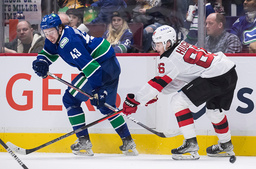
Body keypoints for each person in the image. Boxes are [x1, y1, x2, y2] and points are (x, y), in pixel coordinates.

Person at [122, 25, 237, 160]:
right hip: (228, 71)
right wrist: (158, 92)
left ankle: (191, 143)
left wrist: (135, 100)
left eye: (158, 44)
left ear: (168, 43)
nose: (155, 48)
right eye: (155, 44)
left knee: (178, 102)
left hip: (214, 77)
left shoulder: (170, 59)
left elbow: (157, 82)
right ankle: (226, 144)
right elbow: (179, 79)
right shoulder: (181, 46)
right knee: (214, 111)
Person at [32, 13, 138, 156]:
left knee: (70, 100)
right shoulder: (57, 36)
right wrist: (41, 62)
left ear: (59, 28)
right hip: (111, 65)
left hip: (101, 67)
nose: (49, 36)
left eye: (51, 32)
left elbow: (91, 67)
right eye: (45, 33)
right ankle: (128, 140)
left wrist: (98, 89)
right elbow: (48, 52)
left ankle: (83, 140)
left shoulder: (69, 42)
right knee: (107, 106)